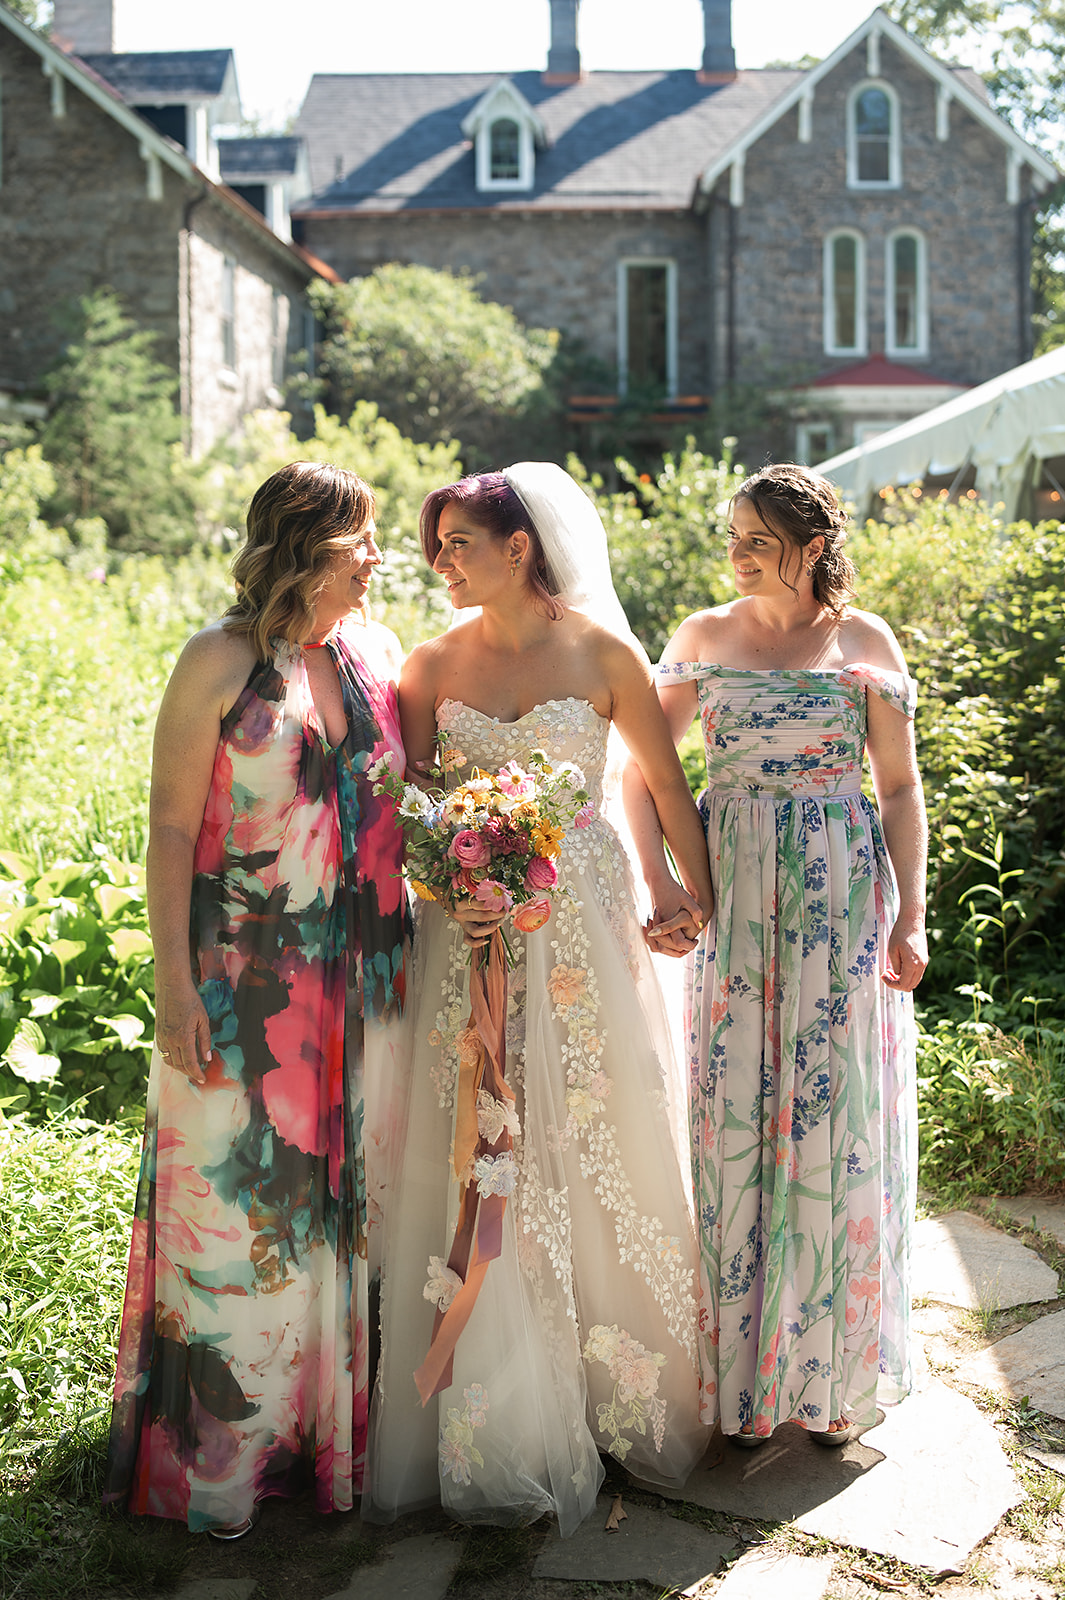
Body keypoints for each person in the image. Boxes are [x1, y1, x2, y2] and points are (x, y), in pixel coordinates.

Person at [365, 463, 713, 1536]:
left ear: (519, 548)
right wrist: (450, 881)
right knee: (480, 1138)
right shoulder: (429, 665)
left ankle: (618, 1399)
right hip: (470, 936)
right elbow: (416, 807)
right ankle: (501, 1413)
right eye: (435, 545)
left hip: (581, 931)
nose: (441, 562)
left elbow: (662, 783)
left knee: (596, 1124)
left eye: (458, 542)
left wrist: (689, 896)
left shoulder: (605, 655)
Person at [104, 461, 409, 1536]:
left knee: (340, 1219)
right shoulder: (216, 660)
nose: (377, 558)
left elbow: (409, 803)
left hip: (357, 988)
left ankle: (317, 1451)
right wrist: (172, 984)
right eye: (361, 539)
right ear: (307, 546)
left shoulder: (375, 656)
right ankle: (219, 1469)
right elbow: (168, 826)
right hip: (239, 985)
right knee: (234, 1219)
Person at [629, 462, 927, 1448]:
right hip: (737, 900)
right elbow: (646, 775)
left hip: (841, 899)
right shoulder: (703, 637)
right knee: (737, 1115)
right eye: (733, 535)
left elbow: (899, 790)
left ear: (811, 546)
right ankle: (745, 1382)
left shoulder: (863, 641)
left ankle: (830, 1376)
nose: (738, 553)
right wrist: (666, 887)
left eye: (757, 538)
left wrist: (911, 917)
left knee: (833, 1117)